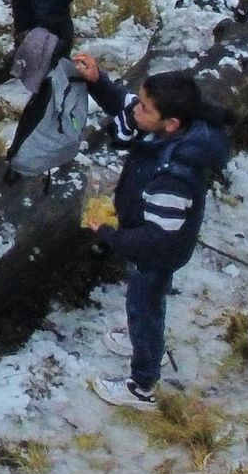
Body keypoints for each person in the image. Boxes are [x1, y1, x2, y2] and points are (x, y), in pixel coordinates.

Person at [73, 55, 232, 410]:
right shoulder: (169, 135)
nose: (135, 113)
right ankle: (144, 338)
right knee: (145, 301)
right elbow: (126, 104)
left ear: (170, 124)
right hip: (146, 241)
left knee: (144, 305)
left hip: (155, 252)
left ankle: (142, 382)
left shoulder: (174, 174)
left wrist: (111, 234)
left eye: (145, 109)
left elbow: (158, 237)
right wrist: (99, 80)